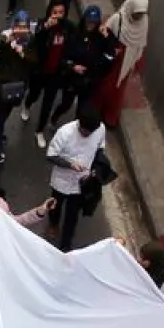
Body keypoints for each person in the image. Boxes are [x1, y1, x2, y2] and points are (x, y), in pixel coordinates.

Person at [38, 4, 114, 146]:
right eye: (88, 21)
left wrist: (107, 40)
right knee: (66, 104)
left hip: (89, 81)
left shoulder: (102, 39)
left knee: (81, 111)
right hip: (72, 79)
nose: (90, 24)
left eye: (94, 22)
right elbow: (64, 55)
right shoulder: (75, 35)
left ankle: (74, 137)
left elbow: (109, 58)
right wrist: (72, 66)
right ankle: (55, 117)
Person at [44, 107, 105, 251]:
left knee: (72, 215)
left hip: (81, 182)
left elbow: (100, 149)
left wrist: (96, 168)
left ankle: (66, 245)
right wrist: (70, 165)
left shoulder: (100, 129)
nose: (88, 135)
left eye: (91, 133)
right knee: (55, 206)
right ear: (79, 124)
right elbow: (51, 155)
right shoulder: (64, 133)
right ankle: (53, 224)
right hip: (61, 181)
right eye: (85, 132)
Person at [96, 0, 149, 126]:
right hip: (113, 60)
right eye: (137, 13)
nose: (138, 17)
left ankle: (110, 117)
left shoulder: (144, 23)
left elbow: (141, 42)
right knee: (103, 85)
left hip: (127, 62)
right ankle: (95, 111)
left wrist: (136, 61)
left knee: (118, 91)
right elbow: (105, 31)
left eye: (141, 14)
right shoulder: (118, 18)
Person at [0, 9, 35, 148]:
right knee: (0, 114)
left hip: (18, 84)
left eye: (24, 27)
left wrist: (23, 54)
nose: (21, 30)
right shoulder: (8, 37)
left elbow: (35, 60)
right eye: (18, 27)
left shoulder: (30, 41)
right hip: (3, 84)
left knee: (7, 112)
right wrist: (9, 39)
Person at [22, 1, 70, 132]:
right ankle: (27, 105)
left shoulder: (66, 27)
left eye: (61, 13)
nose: (58, 16)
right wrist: (46, 27)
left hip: (56, 73)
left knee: (48, 104)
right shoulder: (43, 24)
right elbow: (37, 37)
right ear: (50, 12)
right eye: (55, 12)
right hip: (40, 70)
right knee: (34, 94)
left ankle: (39, 130)